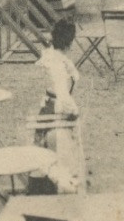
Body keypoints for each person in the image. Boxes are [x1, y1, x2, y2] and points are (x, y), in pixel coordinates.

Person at [32, 18, 86, 193]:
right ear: (69, 42)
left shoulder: (50, 56)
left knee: (46, 147)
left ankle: (48, 182)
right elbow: (62, 93)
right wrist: (73, 111)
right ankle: (63, 184)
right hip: (58, 108)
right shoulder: (58, 65)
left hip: (47, 106)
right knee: (63, 148)